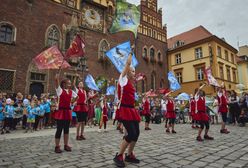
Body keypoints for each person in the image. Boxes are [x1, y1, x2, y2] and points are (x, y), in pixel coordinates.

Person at [113, 50, 141, 167]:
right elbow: (127, 64)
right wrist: (131, 53)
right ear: (127, 71)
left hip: (131, 110)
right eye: (132, 71)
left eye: (135, 71)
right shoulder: (122, 79)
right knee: (131, 133)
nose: (134, 73)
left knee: (136, 133)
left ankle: (129, 155)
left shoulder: (130, 83)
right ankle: (119, 155)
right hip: (124, 110)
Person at [53, 74, 78, 153]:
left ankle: (66, 145)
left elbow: (77, 97)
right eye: (68, 83)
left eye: (70, 83)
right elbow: (56, 83)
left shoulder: (71, 92)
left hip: (67, 111)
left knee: (66, 129)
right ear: (64, 84)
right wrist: (56, 79)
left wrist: (72, 101)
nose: (70, 85)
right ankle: (57, 146)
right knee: (59, 129)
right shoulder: (60, 90)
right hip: (61, 112)